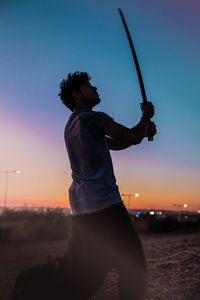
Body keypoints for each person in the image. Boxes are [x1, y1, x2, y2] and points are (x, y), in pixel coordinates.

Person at [58, 71, 156, 300]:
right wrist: (145, 117)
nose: (95, 89)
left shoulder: (73, 124)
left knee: (90, 277)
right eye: (88, 86)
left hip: (81, 211)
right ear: (77, 94)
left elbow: (114, 143)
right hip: (105, 206)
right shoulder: (92, 118)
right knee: (134, 268)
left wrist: (141, 133)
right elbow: (129, 135)